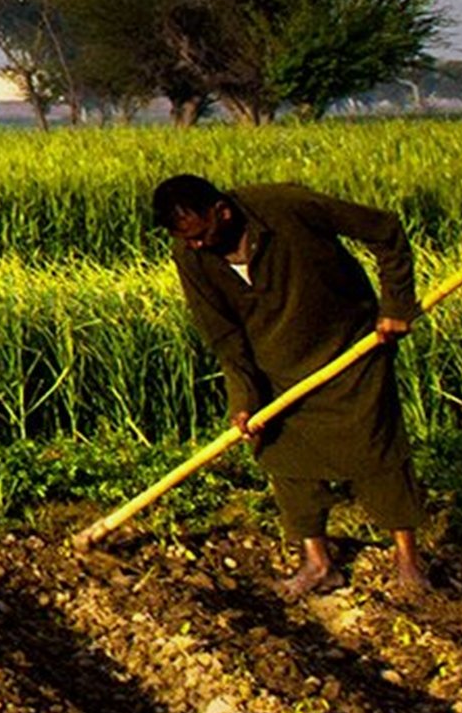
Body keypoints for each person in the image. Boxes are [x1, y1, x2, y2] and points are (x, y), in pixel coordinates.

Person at [150, 173, 442, 599]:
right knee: (283, 456)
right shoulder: (191, 255)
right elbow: (225, 335)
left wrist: (397, 305)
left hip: (351, 349)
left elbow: (386, 230)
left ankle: (408, 563)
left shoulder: (287, 207)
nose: (195, 246)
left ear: (222, 211)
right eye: (185, 240)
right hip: (276, 368)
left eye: (201, 235)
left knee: (377, 450)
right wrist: (245, 399)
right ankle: (318, 563)